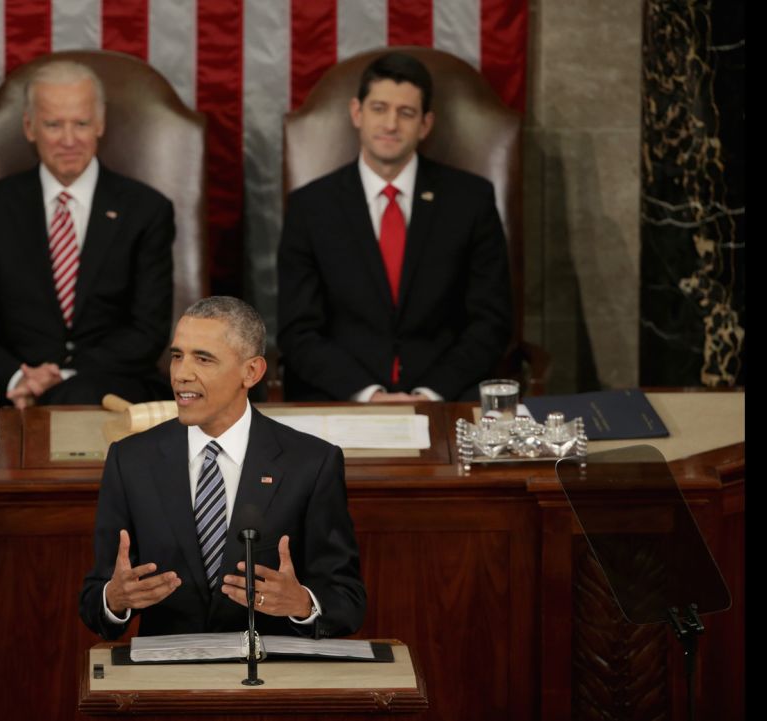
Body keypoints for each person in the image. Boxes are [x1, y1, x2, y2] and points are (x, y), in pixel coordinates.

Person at [79, 296, 366, 640]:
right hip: (170, 681)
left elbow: (347, 600)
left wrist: (302, 604)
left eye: (203, 358)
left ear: (252, 372)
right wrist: (114, 599)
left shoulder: (311, 463)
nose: (182, 374)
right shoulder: (130, 460)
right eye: (177, 356)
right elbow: (95, 600)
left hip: (270, 676)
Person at [277, 51, 512, 403]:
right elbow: (298, 330)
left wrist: (430, 394)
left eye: (406, 113)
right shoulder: (310, 207)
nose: (390, 124)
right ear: (357, 113)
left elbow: (490, 321)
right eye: (379, 108)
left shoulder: (470, 200)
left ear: (425, 124)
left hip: (447, 396)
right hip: (342, 397)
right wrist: (368, 395)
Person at [0, 59, 174, 407]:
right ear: (29, 127)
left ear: (100, 124)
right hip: (15, 394)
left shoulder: (147, 210)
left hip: (112, 391)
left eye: (80, 123)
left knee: (78, 397)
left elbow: (148, 332)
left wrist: (59, 380)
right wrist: (20, 377)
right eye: (53, 125)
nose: (69, 140)